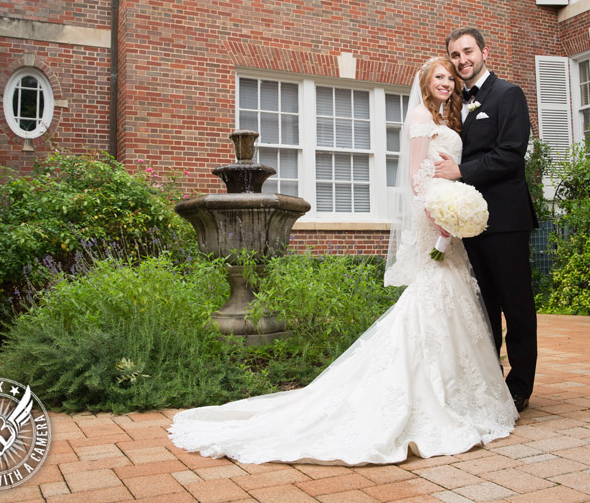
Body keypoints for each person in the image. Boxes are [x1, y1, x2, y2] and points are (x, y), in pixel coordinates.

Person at [167, 57, 518, 465]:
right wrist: (440, 218)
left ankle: (461, 395)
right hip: (433, 220)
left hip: (447, 223)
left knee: (451, 299)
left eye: (449, 79)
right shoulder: (421, 115)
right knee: (431, 299)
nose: (446, 82)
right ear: (425, 81)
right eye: (438, 77)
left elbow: (444, 170)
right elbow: (416, 181)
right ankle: (425, 394)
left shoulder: (445, 115)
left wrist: (455, 211)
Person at [433, 28, 539, 412]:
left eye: (468, 52)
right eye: (455, 55)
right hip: (468, 223)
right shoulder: (453, 101)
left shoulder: (508, 94)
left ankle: (520, 386)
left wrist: (460, 172)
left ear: (483, 52)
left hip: (506, 220)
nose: (462, 60)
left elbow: (511, 154)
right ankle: (490, 380)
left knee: (517, 305)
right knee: (483, 307)